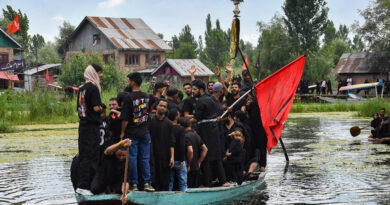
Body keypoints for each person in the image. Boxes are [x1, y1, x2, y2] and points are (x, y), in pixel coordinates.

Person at [120, 72, 154, 192]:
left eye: (129, 81)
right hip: (145, 132)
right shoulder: (147, 96)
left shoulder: (128, 97)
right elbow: (148, 114)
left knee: (133, 158)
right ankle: (147, 183)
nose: (128, 83)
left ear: (133, 82)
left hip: (132, 133)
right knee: (145, 159)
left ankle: (134, 184)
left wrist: (122, 133)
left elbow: (124, 119)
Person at [191, 79, 228, 187]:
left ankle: (206, 183)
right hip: (215, 131)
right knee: (216, 157)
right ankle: (223, 181)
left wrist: (182, 121)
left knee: (207, 157)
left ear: (201, 90)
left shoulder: (203, 101)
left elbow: (196, 118)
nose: (192, 91)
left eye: (194, 89)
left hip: (206, 132)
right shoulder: (215, 101)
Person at [75, 64, 104, 195]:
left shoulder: (82, 89)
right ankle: (84, 186)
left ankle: (84, 185)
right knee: (91, 156)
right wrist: (103, 107)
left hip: (83, 126)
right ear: (94, 73)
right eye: (99, 73)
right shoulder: (93, 88)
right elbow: (96, 108)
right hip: (91, 127)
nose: (101, 75)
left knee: (84, 155)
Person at [149, 99, 175, 191]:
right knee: (153, 176)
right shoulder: (150, 120)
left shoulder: (169, 124)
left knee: (164, 179)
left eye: (164, 106)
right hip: (151, 153)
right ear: (156, 106)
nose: (162, 108)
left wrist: (172, 157)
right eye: (161, 105)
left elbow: (172, 142)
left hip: (165, 155)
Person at [180, 117, 208, 188]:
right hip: (196, 168)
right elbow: (205, 149)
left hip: (188, 168)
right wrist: (199, 162)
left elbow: (190, 151)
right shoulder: (196, 135)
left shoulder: (185, 136)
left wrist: (188, 164)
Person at [168, 108, 188, 191]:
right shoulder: (181, 129)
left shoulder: (167, 127)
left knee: (170, 181)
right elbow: (182, 145)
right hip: (179, 159)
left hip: (169, 159)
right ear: (176, 117)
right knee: (183, 182)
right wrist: (182, 159)